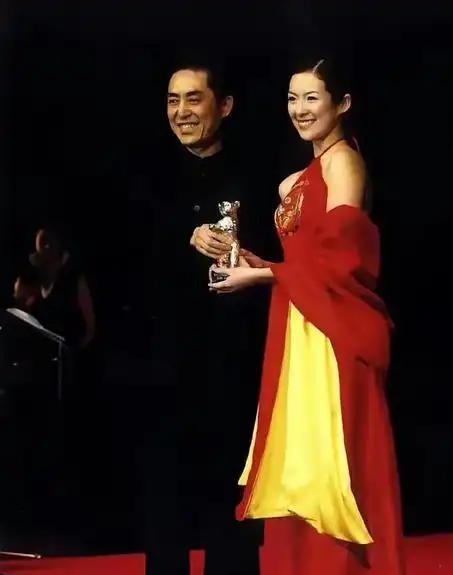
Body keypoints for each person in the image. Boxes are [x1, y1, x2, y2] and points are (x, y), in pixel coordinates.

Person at [208, 58, 406, 575]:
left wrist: (266, 276)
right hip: (301, 320)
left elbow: (343, 261)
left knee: (332, 462)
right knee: (301, 460)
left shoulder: (343, 164)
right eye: (293, 98)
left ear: (342, 103)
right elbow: (304, 262)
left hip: (333, 328)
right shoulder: (299, 179)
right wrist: (256, 264)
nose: (300, 109)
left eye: (312, 97)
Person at [133, 59, 276, 575]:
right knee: (164, 504)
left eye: (194, 98)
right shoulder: (146, 176)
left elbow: (279, 259)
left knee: (232, 505)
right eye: (173, 100)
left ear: (225, 105)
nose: (182, 111)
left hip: (233, 363)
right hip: (164, 364)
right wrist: (184, 235)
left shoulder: (258, 177)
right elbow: (125, 257)